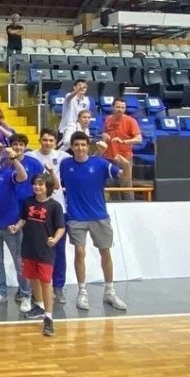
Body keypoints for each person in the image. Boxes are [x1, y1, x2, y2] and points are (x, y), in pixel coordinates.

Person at [60, 132, 130, 312]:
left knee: (105, 252)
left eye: (83, 145)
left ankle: (110, 291)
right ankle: (82, 291)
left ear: (88, 146)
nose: (80, 148)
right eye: (76, 145)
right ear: (72, 147)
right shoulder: (65, 165)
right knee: (79, 252)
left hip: (99, 216)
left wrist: (126, 165)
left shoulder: (100, 164)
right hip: (76, 217)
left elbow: (123, 178)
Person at [9, 174, 66, 337]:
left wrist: (55, 239)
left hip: (45, 251)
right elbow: (23, 219)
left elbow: (61, 227)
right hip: (28, 248)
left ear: (48, 187)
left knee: (46, 283)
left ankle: (48, 318)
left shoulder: (55, 206)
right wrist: (16, 227)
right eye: (35, 184)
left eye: (40, 184)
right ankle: (40, 306)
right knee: (33, 278)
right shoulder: (27, 202)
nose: (37, 187)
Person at [0, 145, 31, 310]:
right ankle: (1, 292)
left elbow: (23, 176)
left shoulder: (9, 174)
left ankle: (26, 294)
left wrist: (14, 159)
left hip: (11, 226)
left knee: (19, 262)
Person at [27, 129, 72, 304]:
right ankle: (36, 288)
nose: (47, 143)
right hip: (36, 210)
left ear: (55, 142)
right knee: (36, 251)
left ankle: (58, 286)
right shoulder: (31, 156)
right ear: (39, 140)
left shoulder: (63, 156)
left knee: (59, 251)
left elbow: (83, 158)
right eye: (44, 140)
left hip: (57, 208)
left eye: (51, 140)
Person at [102, 98, 141, 201]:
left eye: (123, 107)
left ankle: (130, 207)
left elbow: (139, 139)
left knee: (126, 186)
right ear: (112, 107)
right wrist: (104, 135)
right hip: (109, 158)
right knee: (112, 186)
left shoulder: (130, 121)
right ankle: (116, 206)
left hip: (124, 158)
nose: (120, 109)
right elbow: (105, 132)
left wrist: (124, 142)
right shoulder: (108, 119)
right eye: (118, 107)